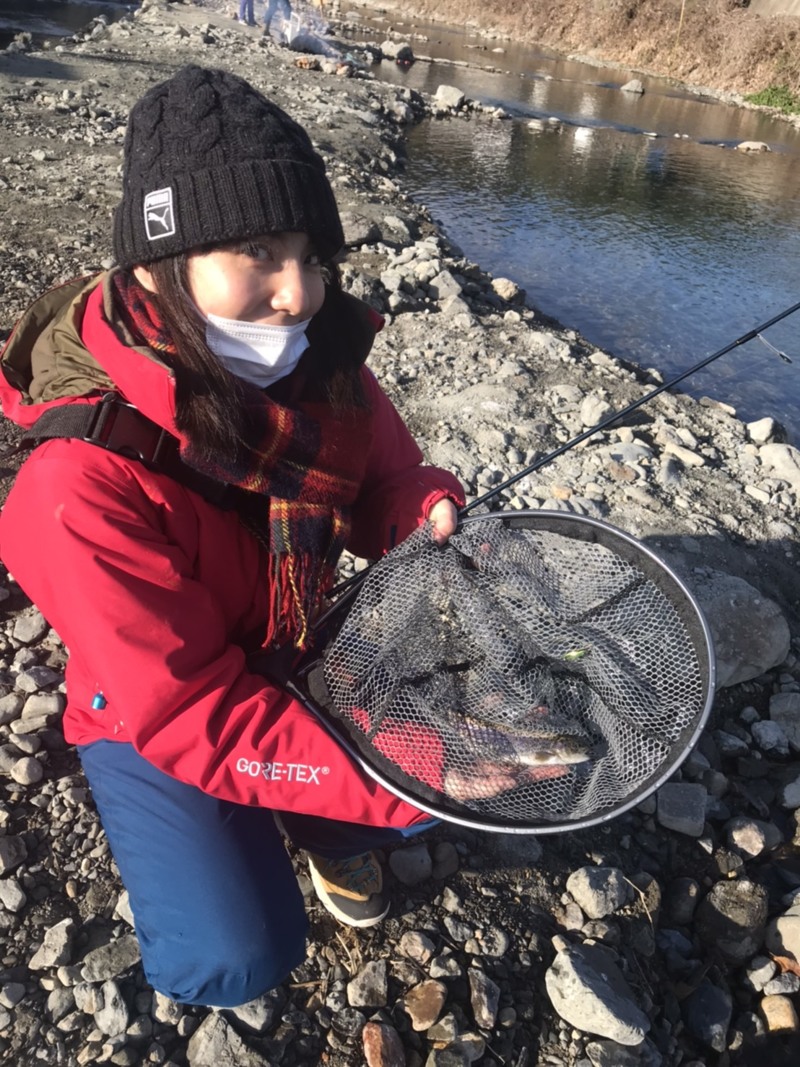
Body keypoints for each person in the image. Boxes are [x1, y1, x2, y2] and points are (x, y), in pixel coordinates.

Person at [0, 65, 463, 1009]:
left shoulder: (321, 362)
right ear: (154, 270)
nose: (298, 293)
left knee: (411, 803)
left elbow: (386, 480)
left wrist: (420, 509)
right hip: (160, 704)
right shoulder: (72, 486)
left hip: (297, 641)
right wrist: (409, 778)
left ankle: (328, 826)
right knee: (234, 956)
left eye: (310, 254)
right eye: (257, 251)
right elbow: (191, 713)